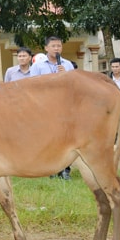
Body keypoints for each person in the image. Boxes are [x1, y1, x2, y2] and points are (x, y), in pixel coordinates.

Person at [30, 36, 74, 180]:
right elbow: (33, 86)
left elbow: (74, 85)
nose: (56, 49)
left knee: (65, 138)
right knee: (48, 137)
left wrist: (64, 75)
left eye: (59, 46)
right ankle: (50, 168)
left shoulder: (67, 65)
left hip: (64, 106)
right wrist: (52, 78)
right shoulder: (38, 66)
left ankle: (65, 169)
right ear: (46, 48)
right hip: (45, 106)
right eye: (53, 46)